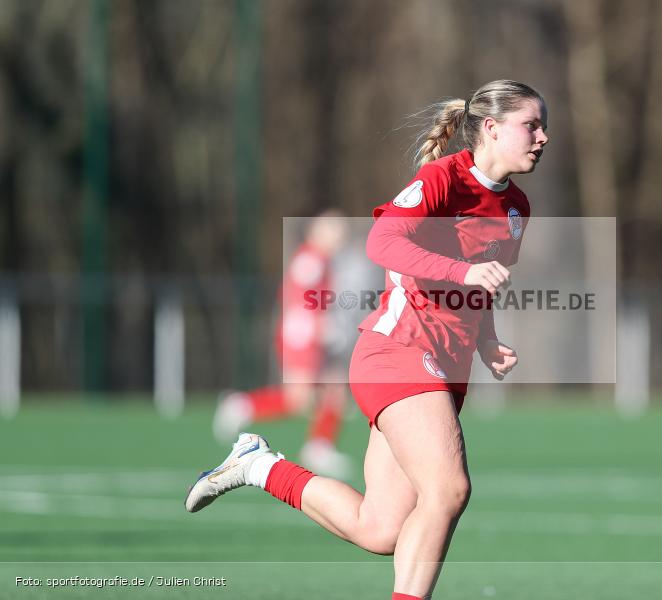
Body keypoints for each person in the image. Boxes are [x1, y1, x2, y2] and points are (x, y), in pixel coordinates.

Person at [185, 79, 549, 600]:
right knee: (448, 489)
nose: (543, 136)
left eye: (542, 125)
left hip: (443, 371)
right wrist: (462, 274)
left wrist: (487, 341)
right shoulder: (441, 179)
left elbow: (479, 282)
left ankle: (258, 465)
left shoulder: (517, 208)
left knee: (379, 528)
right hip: (396, 353)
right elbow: (383, 241)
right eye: (531, 125)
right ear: (491, 129)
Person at [213, 212, 354, 479]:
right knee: (299, 400)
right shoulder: (310, 260)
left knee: (335, 389)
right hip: (301, 340)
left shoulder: (321, 261)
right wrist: (322, 327)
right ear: (317, 232)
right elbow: (300, 300)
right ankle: (241, 405)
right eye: (334, 231)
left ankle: (319, 447)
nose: (339, 237)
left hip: (311, 338)